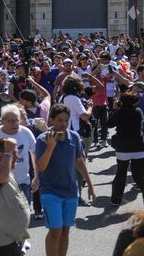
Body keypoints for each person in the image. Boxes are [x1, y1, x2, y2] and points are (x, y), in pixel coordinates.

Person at [36, 104, 95, 256]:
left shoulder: (74, 137)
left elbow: (80, 161)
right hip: (50, 192)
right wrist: (51, 146)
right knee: (55, 231)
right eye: (59, 120)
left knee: (65, 231)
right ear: (51, 120)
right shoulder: (43, 140)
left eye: (66, 121)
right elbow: (41, 167)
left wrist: (90, 185)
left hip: (70, 192)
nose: (63, 124)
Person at [0, 104, 38, 205]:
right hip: (0, 185)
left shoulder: (26, 132)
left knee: (23, 218)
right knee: (4, 219)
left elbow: (34, 154)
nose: (15, 124)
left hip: (23, 183)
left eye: (17, 120)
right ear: (2, 121)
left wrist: (37, 177)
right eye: (10, 121)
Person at [108, 92, 144, 208]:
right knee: (140, 176)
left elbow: (109, 124)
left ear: (121, 102)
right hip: (139, 148)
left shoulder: (118, 113)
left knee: (121, 174)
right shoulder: (138, 112)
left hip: (123, 149)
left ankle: (116, 199)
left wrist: (114, 109)